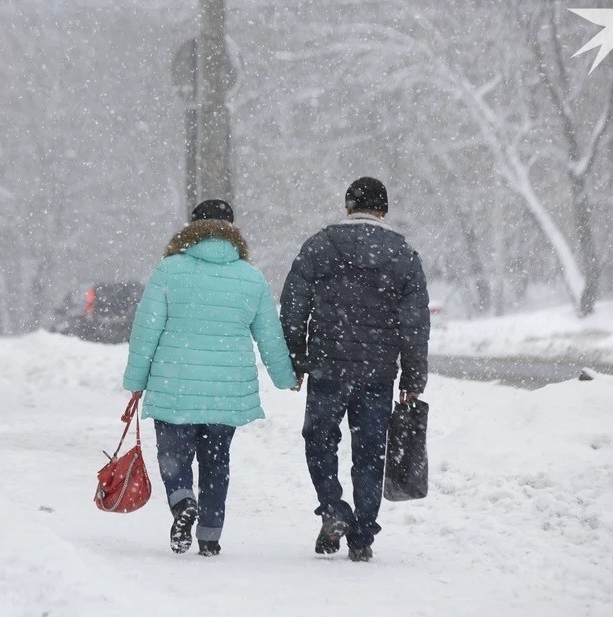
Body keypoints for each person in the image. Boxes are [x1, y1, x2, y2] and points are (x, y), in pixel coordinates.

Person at [123, 199, 298, 557]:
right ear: (233, 231)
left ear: (191, 228)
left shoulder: (169, 270)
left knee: (174, 457)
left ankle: (182, 501)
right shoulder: (250, 276)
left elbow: (146, 330)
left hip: (175, 385)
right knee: (216, 461)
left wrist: (136, 381)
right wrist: (285, 377)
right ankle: (210, 534)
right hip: (227, 392)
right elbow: (269, 334)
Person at [280, 177, 430, 562]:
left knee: (320, 441)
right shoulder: (402, 253)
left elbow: (293, 307)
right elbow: (415, 323)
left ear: (348, 206)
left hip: (328, 368)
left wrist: (296, 360)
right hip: (377, 374)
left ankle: (333, 508)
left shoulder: (320, 246)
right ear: (384, 209)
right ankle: (362, 534)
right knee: (370, 453)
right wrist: (412, 377)